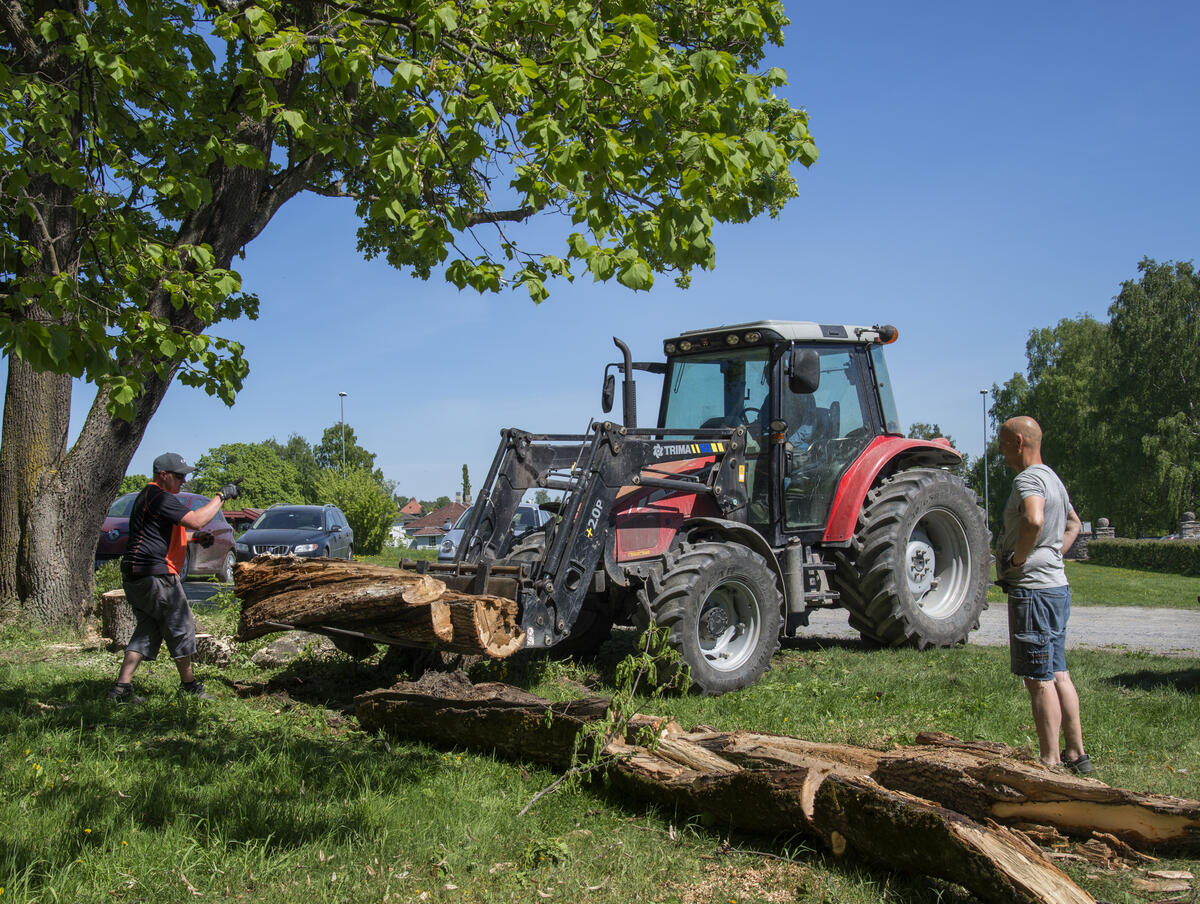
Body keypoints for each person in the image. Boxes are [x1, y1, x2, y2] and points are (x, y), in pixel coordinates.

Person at [995, 416, 1089, 772]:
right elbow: (1073, 523)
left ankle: (1048, 762)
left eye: (1003, 444)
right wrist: (1054, 553)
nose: (1000, 452)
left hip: (1032, 591)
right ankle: (1077, 754)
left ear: (1019, 442)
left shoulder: (1029, 478)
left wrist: (1019, 559)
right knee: (1059, 672)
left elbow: (1033, 520)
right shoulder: (1054, 479)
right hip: (1056, 588)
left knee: (1039, 680)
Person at [107, 453, 237, 703]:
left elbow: (161, 537)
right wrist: (221, 496)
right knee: (181, 626)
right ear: (162, 475)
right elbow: (197, 520)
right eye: (178, 476)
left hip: (135, 575)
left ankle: (121, 689)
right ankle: (189, 687)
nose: (183, 480)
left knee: (148, 629)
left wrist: (195, 540)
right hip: (156, 576)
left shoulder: (148, 497)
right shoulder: (159, 496)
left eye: (185, 476)